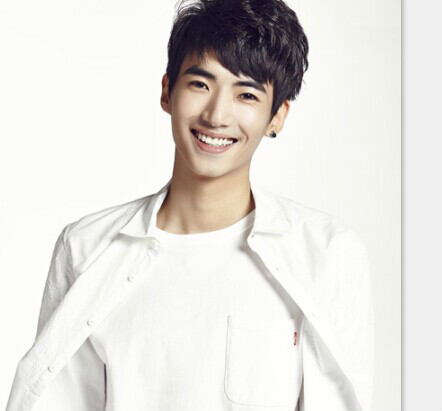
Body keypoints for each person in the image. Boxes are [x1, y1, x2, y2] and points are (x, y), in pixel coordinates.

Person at [6, 0, 374, 410]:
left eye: (246, 94)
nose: (217, 115)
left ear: (277, 116)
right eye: (200, 84)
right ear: (167, 91)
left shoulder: (326, 254)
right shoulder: (86, 248)